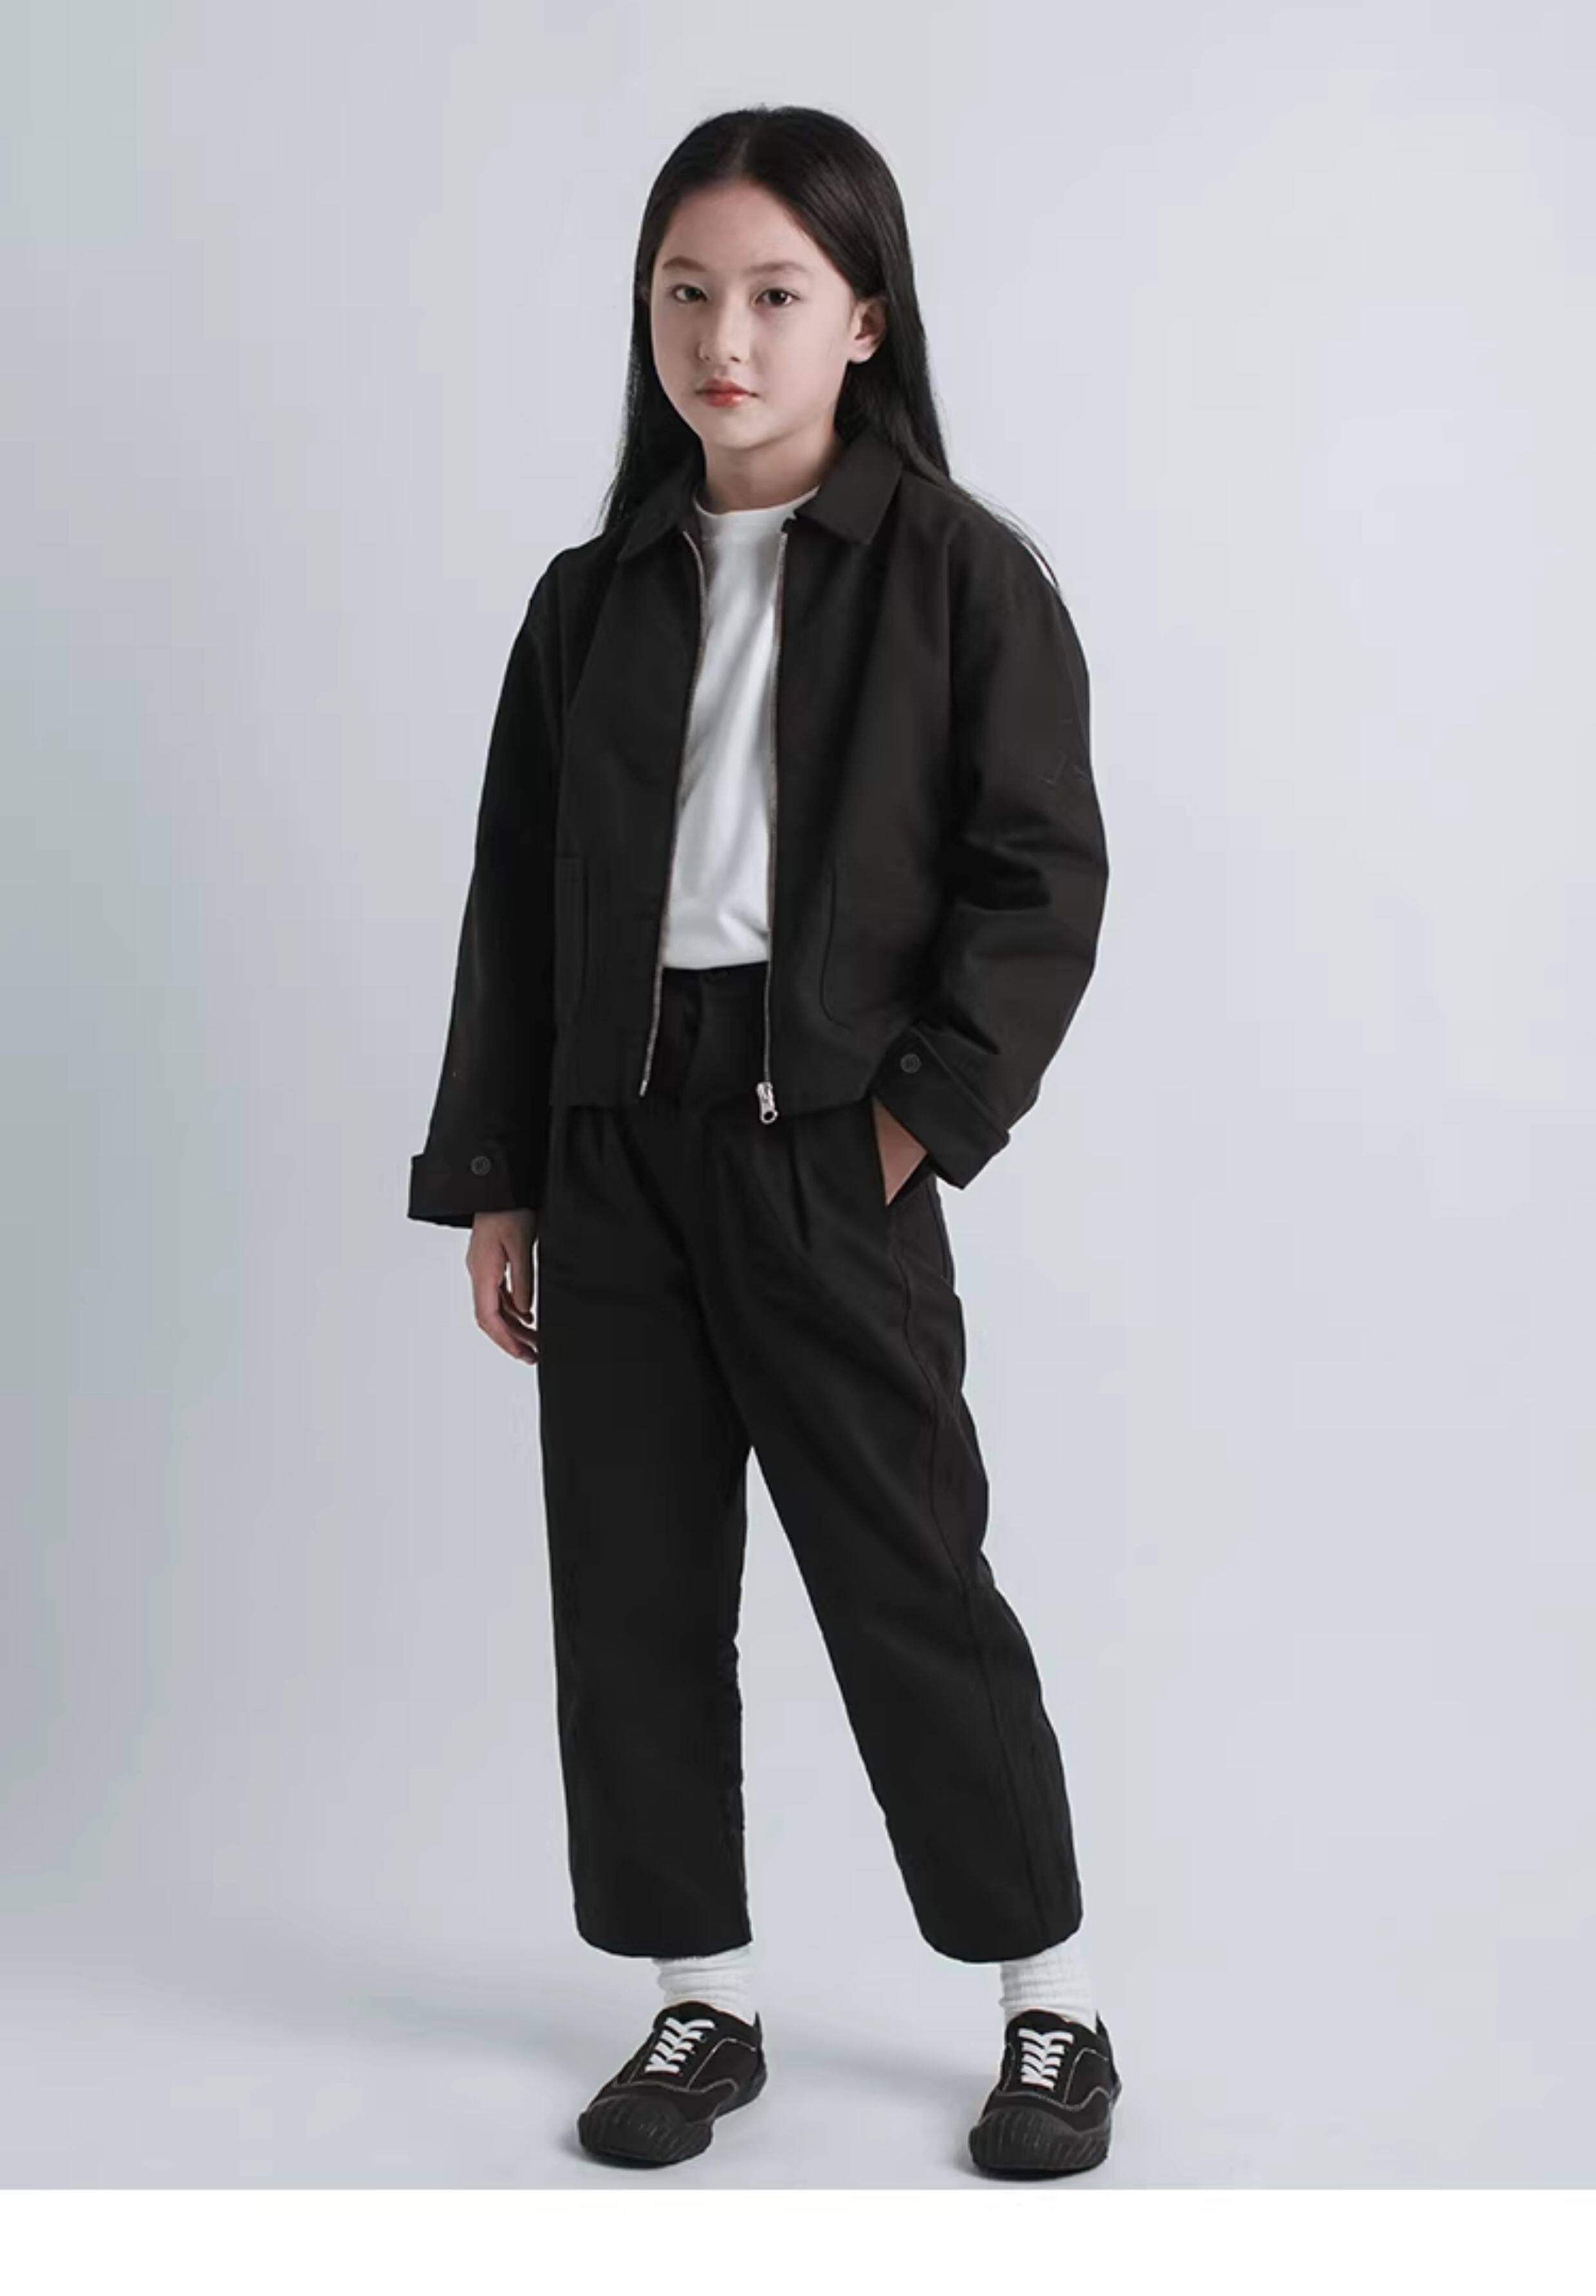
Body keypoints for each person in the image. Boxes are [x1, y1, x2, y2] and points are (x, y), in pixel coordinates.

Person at [407, 104, 1119, 2178]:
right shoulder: (590, 600)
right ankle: (696, 2000)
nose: (725, 338)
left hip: (826, 1135)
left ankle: (1050, 2003)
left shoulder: (962, 577)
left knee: (908, 1578)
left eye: (777, 295)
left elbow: (1040, 880)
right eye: (686, 293)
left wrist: (911, 1127)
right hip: (616, 1140)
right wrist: (502, 1176)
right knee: (632, 1590)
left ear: (865, 320)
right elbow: (517, 897)